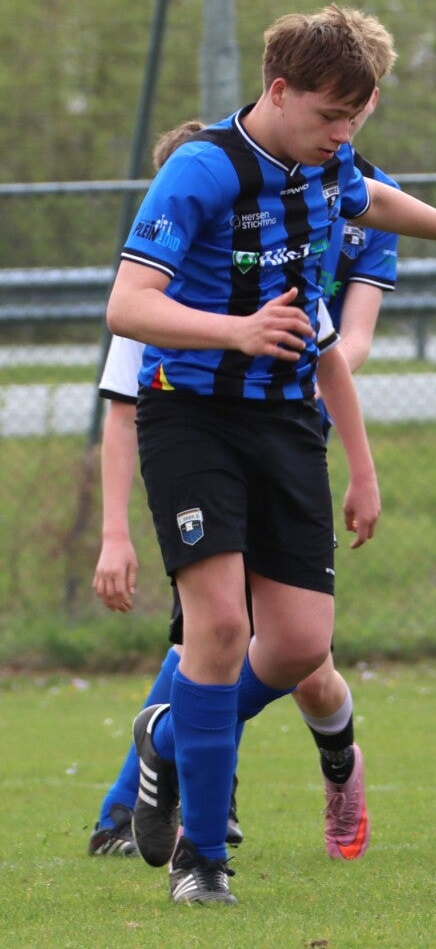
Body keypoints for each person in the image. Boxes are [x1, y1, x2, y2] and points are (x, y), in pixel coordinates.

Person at [106, 5, 436, 905]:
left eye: (355, 118)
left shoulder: (330, 163)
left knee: (301, 644)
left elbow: (370, 199)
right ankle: (202, 862)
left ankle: (167, 738)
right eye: (329, 116)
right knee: (218, 629)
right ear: (279, 91)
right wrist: (235, 330)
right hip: (191, 414)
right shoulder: (201, 169)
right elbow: (127, 303)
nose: (343, 135)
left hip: (285, 423)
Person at [88, 105, 400, 863]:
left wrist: (360, 468)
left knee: (306, 663)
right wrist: (115, 534)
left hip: (287, 443)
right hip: (200, 454)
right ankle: (181, 828)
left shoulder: (289, 263)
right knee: (212, 636)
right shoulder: (160, 307)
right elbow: (123, 415)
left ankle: (333, 765)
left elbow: (337, 351)